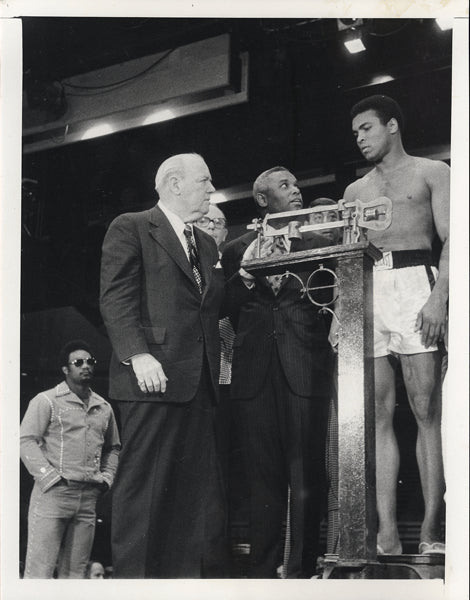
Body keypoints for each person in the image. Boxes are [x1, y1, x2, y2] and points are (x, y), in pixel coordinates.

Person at [100, 153, 229, 578]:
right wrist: (138, 354)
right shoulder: (132, 227)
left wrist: (249, 275)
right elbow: (116, 298)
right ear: (175, 184)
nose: (210, 190)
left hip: (199, 383)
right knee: (142, 493)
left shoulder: (206, 244)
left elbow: (212, 310)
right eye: (204, 181)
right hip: (150, 380)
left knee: (192, 498)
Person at [343, 94, 449, 555]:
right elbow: (347, 259)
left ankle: (431, 529)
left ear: (392, 125)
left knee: (426, 411)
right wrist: (343, 317)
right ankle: (386, 532)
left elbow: (454, 241)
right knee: (377, 416)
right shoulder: (354, 192)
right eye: (355, 134)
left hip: (416, 284)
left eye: (366, 128)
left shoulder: (433, 172)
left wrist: (439, 298)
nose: (360, 138)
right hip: (368, 291)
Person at [222, 166, 332, 578]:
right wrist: (247, 276)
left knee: (307, 476)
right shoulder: (236, 250)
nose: (297, 191)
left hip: (304, 369)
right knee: (261, 479)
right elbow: (223, 310)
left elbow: (329, 302)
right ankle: (262, 573)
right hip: (253, 376)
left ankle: (302, 571)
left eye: (298, 184)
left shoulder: (320, 243)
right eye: (285, 186)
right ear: (264, 199)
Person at [20, 340, 120, 579]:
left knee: (76, 572)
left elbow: (113, 447)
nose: (85, 366)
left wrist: (105, 479)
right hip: (53, 495)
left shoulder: (103, 407)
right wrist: (50, 478)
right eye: (78, 362)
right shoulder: (46, 401)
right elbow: (25, 440)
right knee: (39, 570)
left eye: (90, 361)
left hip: (87, 498)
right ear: (65, 369)